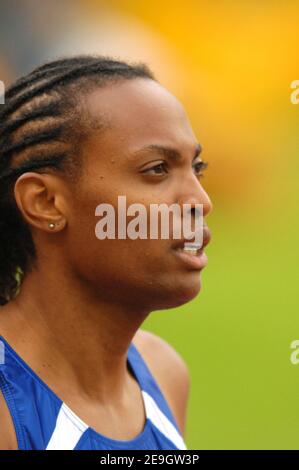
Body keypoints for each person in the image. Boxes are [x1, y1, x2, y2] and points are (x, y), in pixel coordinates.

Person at [0, 55, 212, 450]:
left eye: (196, 169)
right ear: (45, 201)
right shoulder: (7, 413)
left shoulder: (161, 371)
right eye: (157, 169)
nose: (200, 201)